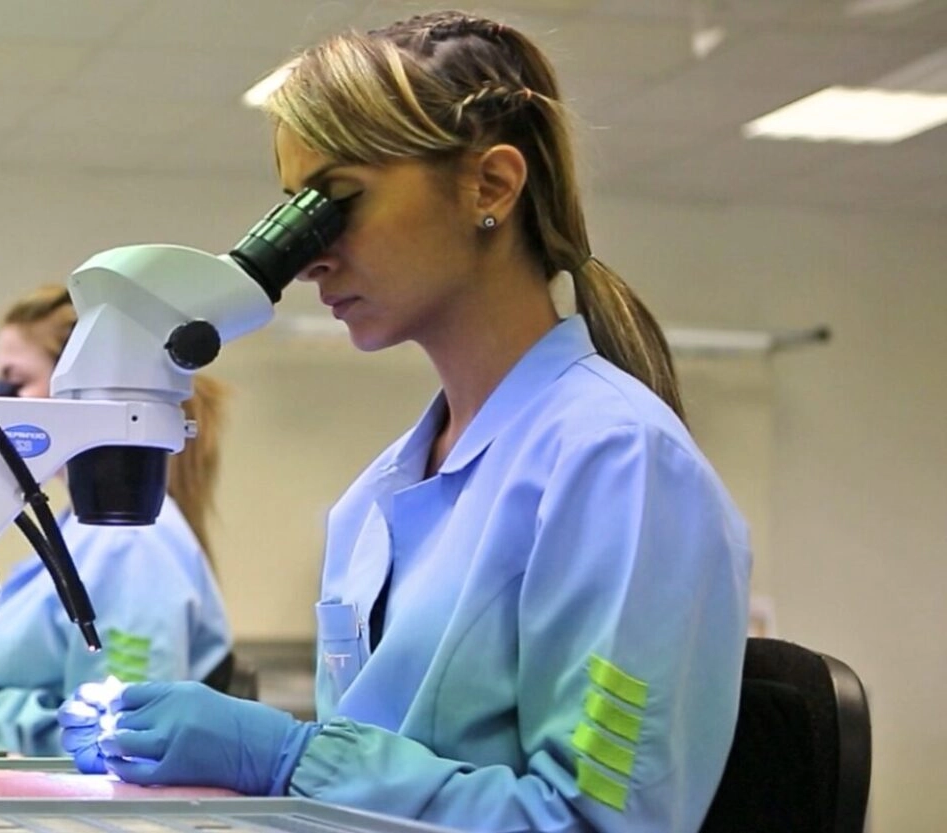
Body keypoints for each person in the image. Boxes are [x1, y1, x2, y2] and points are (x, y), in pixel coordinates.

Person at [57, 11, 751, 832]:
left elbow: (598, 823)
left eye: (335, 203)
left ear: (490, 186)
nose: (309, 254)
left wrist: (287, 757)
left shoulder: (618, 464)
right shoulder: (376, 497)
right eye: (294, 212)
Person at [0, 284, 234, 757]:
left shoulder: (127, 544)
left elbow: (118, 733)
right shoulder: (71, 534)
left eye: (14, 382)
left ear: (79, 388)